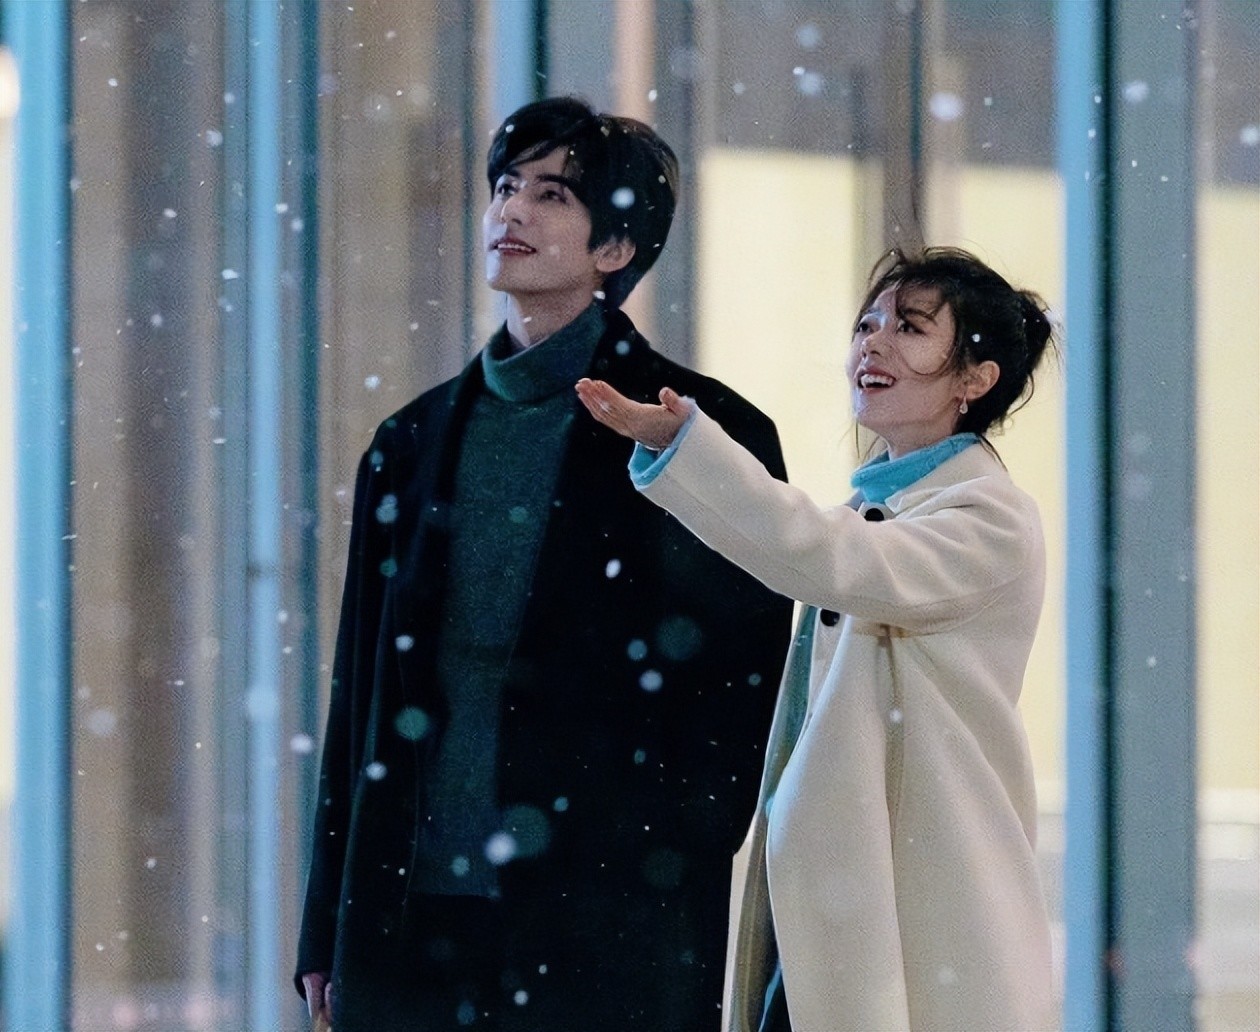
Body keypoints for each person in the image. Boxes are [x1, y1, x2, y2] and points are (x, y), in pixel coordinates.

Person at [295, 96, 793, 1031]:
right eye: (505, 187)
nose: (511, 211)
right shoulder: (409, 442)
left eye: (552, 195)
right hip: (412, 919)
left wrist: (669, 858)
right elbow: (359, 693)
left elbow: (740, 684)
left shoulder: (701, 433)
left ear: (616, 247)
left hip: (609, 919)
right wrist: (326, 924)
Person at [576, 246, 1057, 1031]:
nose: (873, 344)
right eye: (867, 325)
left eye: (910, 328)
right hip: (838, 902)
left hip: (916, 903)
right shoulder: (879, 510)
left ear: (975, 379)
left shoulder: (988, 519)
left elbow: (825, 557)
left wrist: (688, 449)